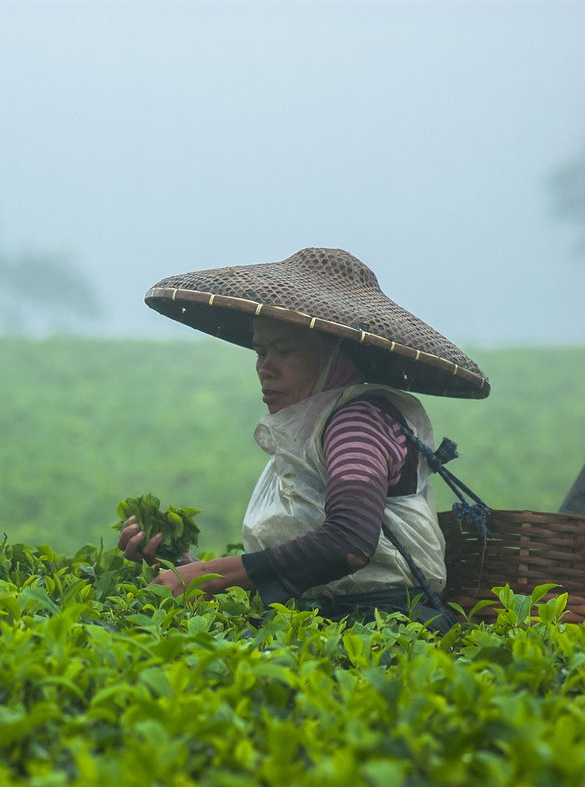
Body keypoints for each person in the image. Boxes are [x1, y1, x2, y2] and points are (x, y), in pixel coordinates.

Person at [119, 248, 491, 630]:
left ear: (334, 358)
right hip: (318, 622)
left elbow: (348, 542)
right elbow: (288, 570)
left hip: (383, 627)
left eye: (285, 351)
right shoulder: (304, 434)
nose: (266, 369)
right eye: (261, 351)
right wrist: (178, 562)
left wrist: (209, 575)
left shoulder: (358, 423)